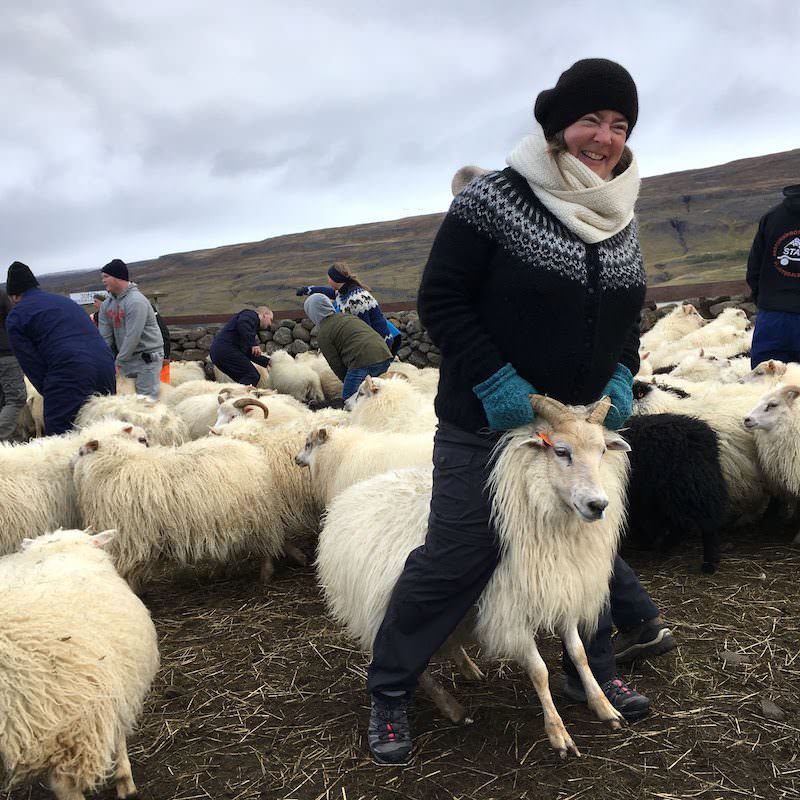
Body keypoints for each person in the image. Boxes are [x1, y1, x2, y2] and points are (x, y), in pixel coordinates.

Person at [364, 58, 675, 766]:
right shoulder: (494, 201)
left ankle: (585, 671)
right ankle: (389, 688)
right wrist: (496, 380)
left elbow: (626, 315)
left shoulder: (620, 213)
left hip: (578, 430)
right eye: (591, 119)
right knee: (457, 554)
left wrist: (624, 373)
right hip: (486, 423)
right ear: (557, 125)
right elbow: (442, 299)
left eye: (619, 124)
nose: (604, 137)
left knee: (583, 551)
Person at [4, 261, 115, 435]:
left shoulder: (17, 315)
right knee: (105, 432)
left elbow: (31, 364)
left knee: (62, 441)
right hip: (105, 367)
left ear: (14, 296)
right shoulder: (65, 302)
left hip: (69, 371)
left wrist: (51, 390)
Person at [746, 184, 800, 367]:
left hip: (773, 317)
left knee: (768, 383)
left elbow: (754, 269)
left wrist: (765, 301)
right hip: (774, 310)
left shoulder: (772, 217)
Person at [296, 262, 401, 354]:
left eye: (328, 277)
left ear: (334, 279)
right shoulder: (344, 292)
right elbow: (327, 291)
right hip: (372, 343)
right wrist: (307, 290)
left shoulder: (356, 299)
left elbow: (364, 329)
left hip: (379, 345)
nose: (327, 280)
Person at [303, 294, 392, 399]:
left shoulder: (324, 333)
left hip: (362, 361)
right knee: (376, 393)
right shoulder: (346, 316)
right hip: (383, 353)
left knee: (350, 398)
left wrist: (347, 382)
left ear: (313, 313)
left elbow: (336, 364)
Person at [98, 259, 164, 399]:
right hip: (126, 359)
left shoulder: (136, 301)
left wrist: (118, 362)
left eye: (106, 277)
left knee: (146, 400)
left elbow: (133, 335)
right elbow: (105, 337)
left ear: (117, 277)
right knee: (126, 400)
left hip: (146, 358)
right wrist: (104, 359)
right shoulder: (106, 305)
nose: (103, 281)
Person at [209, 306, 273, 386]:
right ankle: (241, 396)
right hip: (225, 350)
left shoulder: (248, 330)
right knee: (251, 375)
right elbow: (243, 322)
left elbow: (247, 351)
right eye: (270, 319)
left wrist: (267, 362)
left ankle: (237, 395)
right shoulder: (251, 315)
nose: (270, 324)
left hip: (219, 353)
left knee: (247, 377)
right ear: (265, 315)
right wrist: (253, 344)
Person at [0, 288, 27, 441]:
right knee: (15, 399)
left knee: (3, 400)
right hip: (5, 354)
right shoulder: (1, 295)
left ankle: (10, 444)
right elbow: (12, 320)